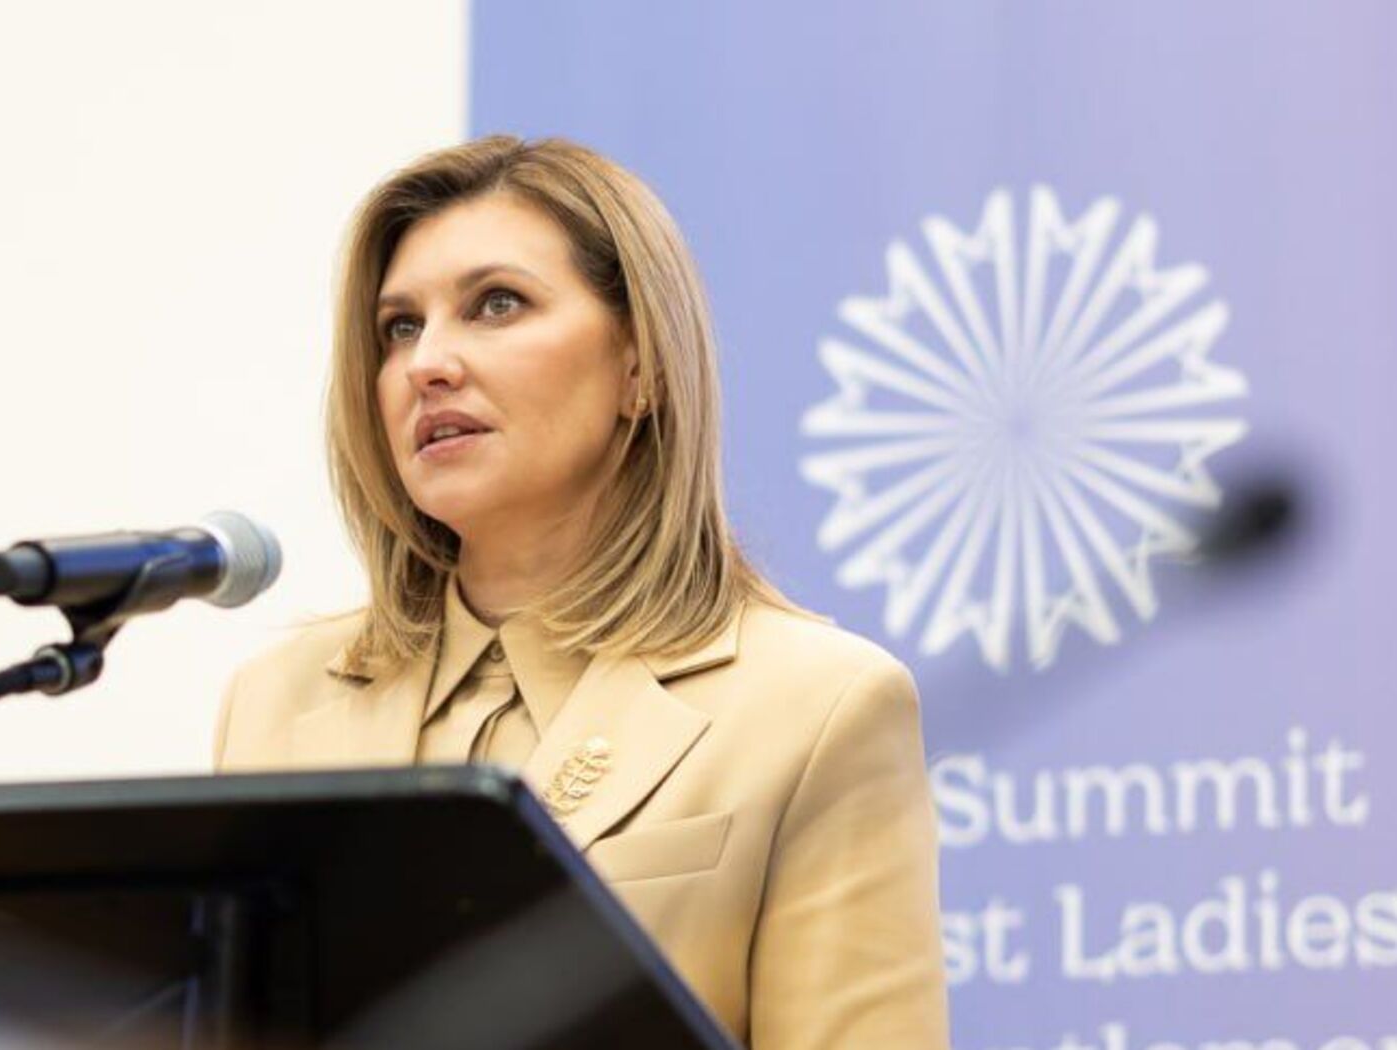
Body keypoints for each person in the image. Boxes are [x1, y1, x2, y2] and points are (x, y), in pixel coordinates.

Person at [213, 135, 949, 1048]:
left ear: (640, 368)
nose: (426, 363)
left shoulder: (820, 705)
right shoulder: (277, 702)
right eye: (399, 327)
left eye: (496, 305)